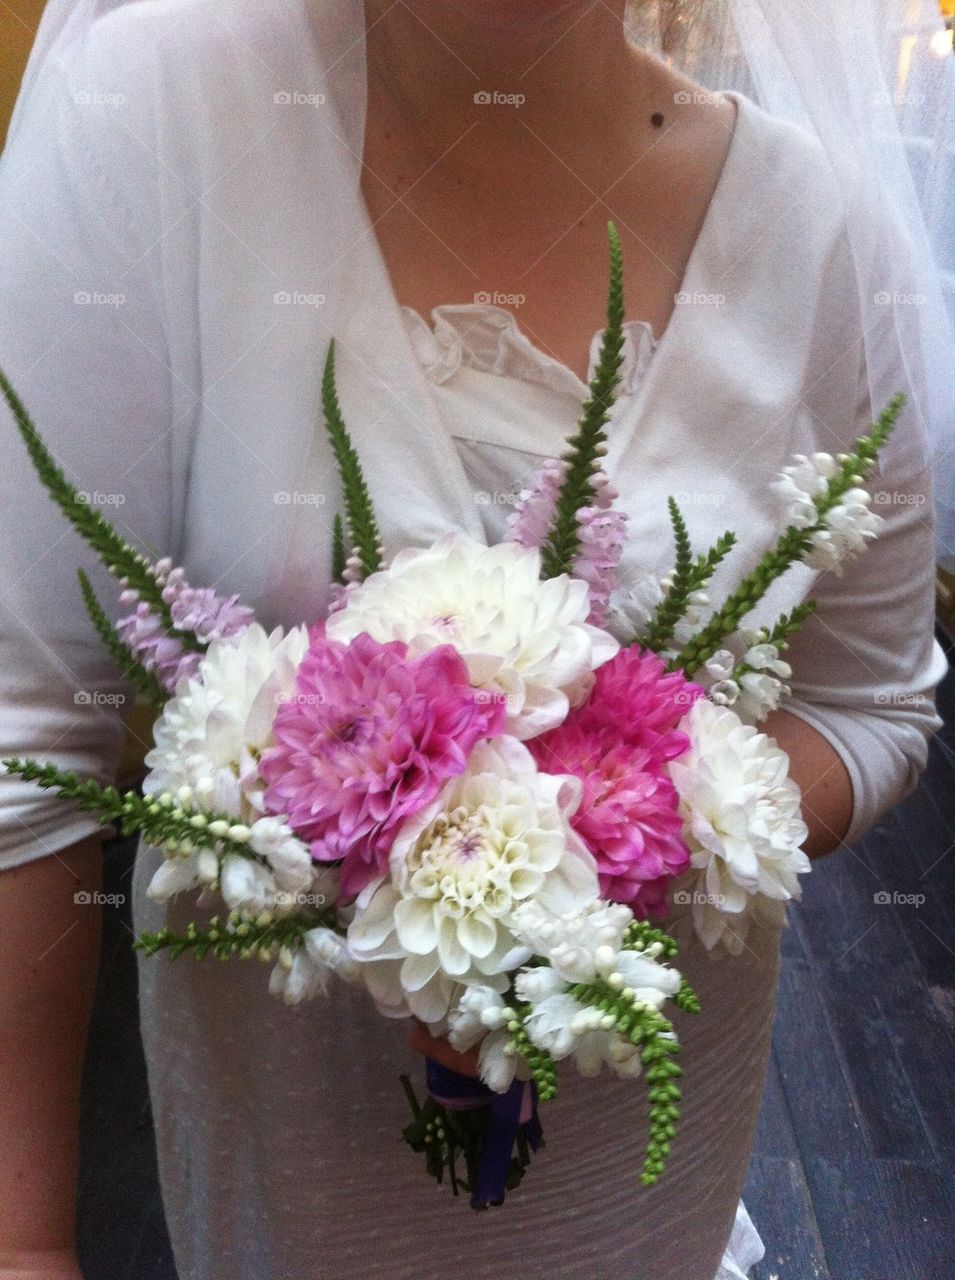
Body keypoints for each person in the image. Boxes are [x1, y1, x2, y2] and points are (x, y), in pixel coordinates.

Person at [0, 2, 947, 1278]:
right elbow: (23, 734)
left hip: (640, 1154)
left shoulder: (814, 230)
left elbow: (869, 704)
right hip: (296, 1175)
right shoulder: (163, 113)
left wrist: (612, 847)